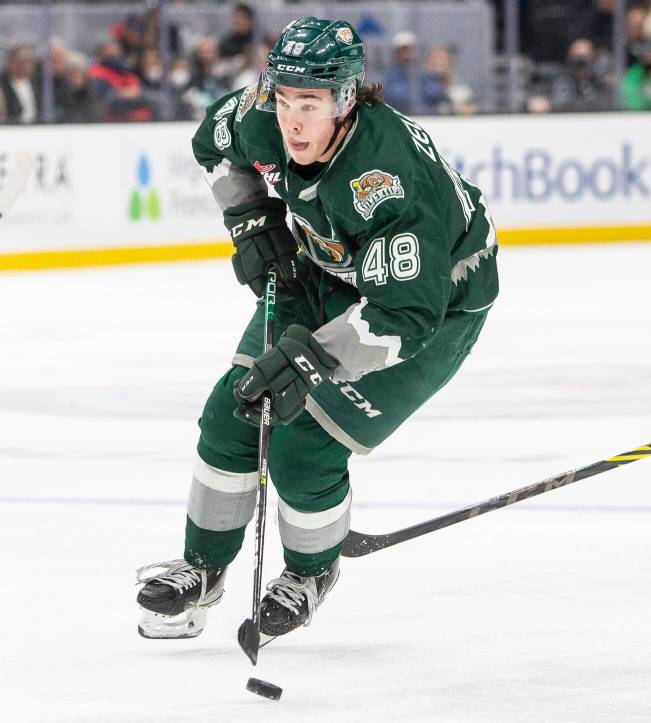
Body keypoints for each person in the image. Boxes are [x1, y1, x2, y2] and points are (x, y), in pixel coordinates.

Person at [134, 17, 499, 640]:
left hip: (433, 309)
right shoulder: (264, 117)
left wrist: (310, 361)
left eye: (310, 103)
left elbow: (402, 317)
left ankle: (310, 571)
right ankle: (202, 570)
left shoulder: (384, 181)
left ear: (347, 97)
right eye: (284, 99)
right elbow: (212, 143)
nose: (292, 120)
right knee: (233, 411)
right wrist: (250, 218)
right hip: (327, 269)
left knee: (305, 445)